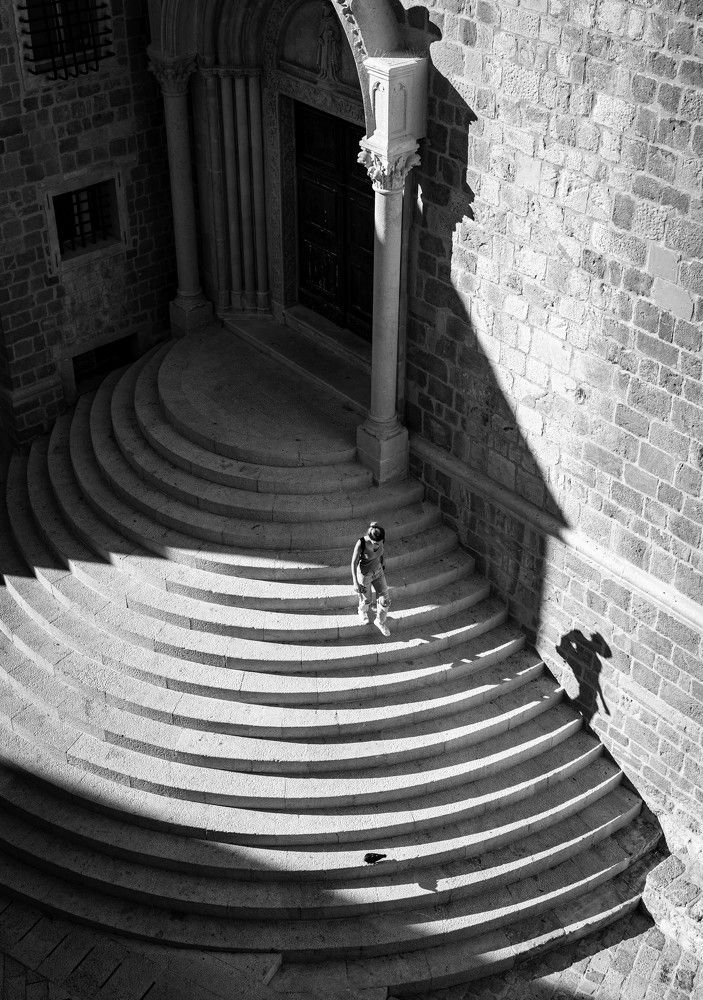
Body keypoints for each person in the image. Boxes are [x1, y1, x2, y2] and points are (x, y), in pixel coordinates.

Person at [351, 522, 391, 637]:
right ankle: (362, 610)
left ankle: (380, 621)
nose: (377, 545)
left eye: (380, 543)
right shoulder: (361, 543)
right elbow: (353, 563)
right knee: (366, 600)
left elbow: (381, 552)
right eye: (375, 543)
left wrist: (383, 561)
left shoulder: (381, 539)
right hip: (365, 575)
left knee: (385, 600)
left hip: (378, 572)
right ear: (370, 538)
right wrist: (355, 582)